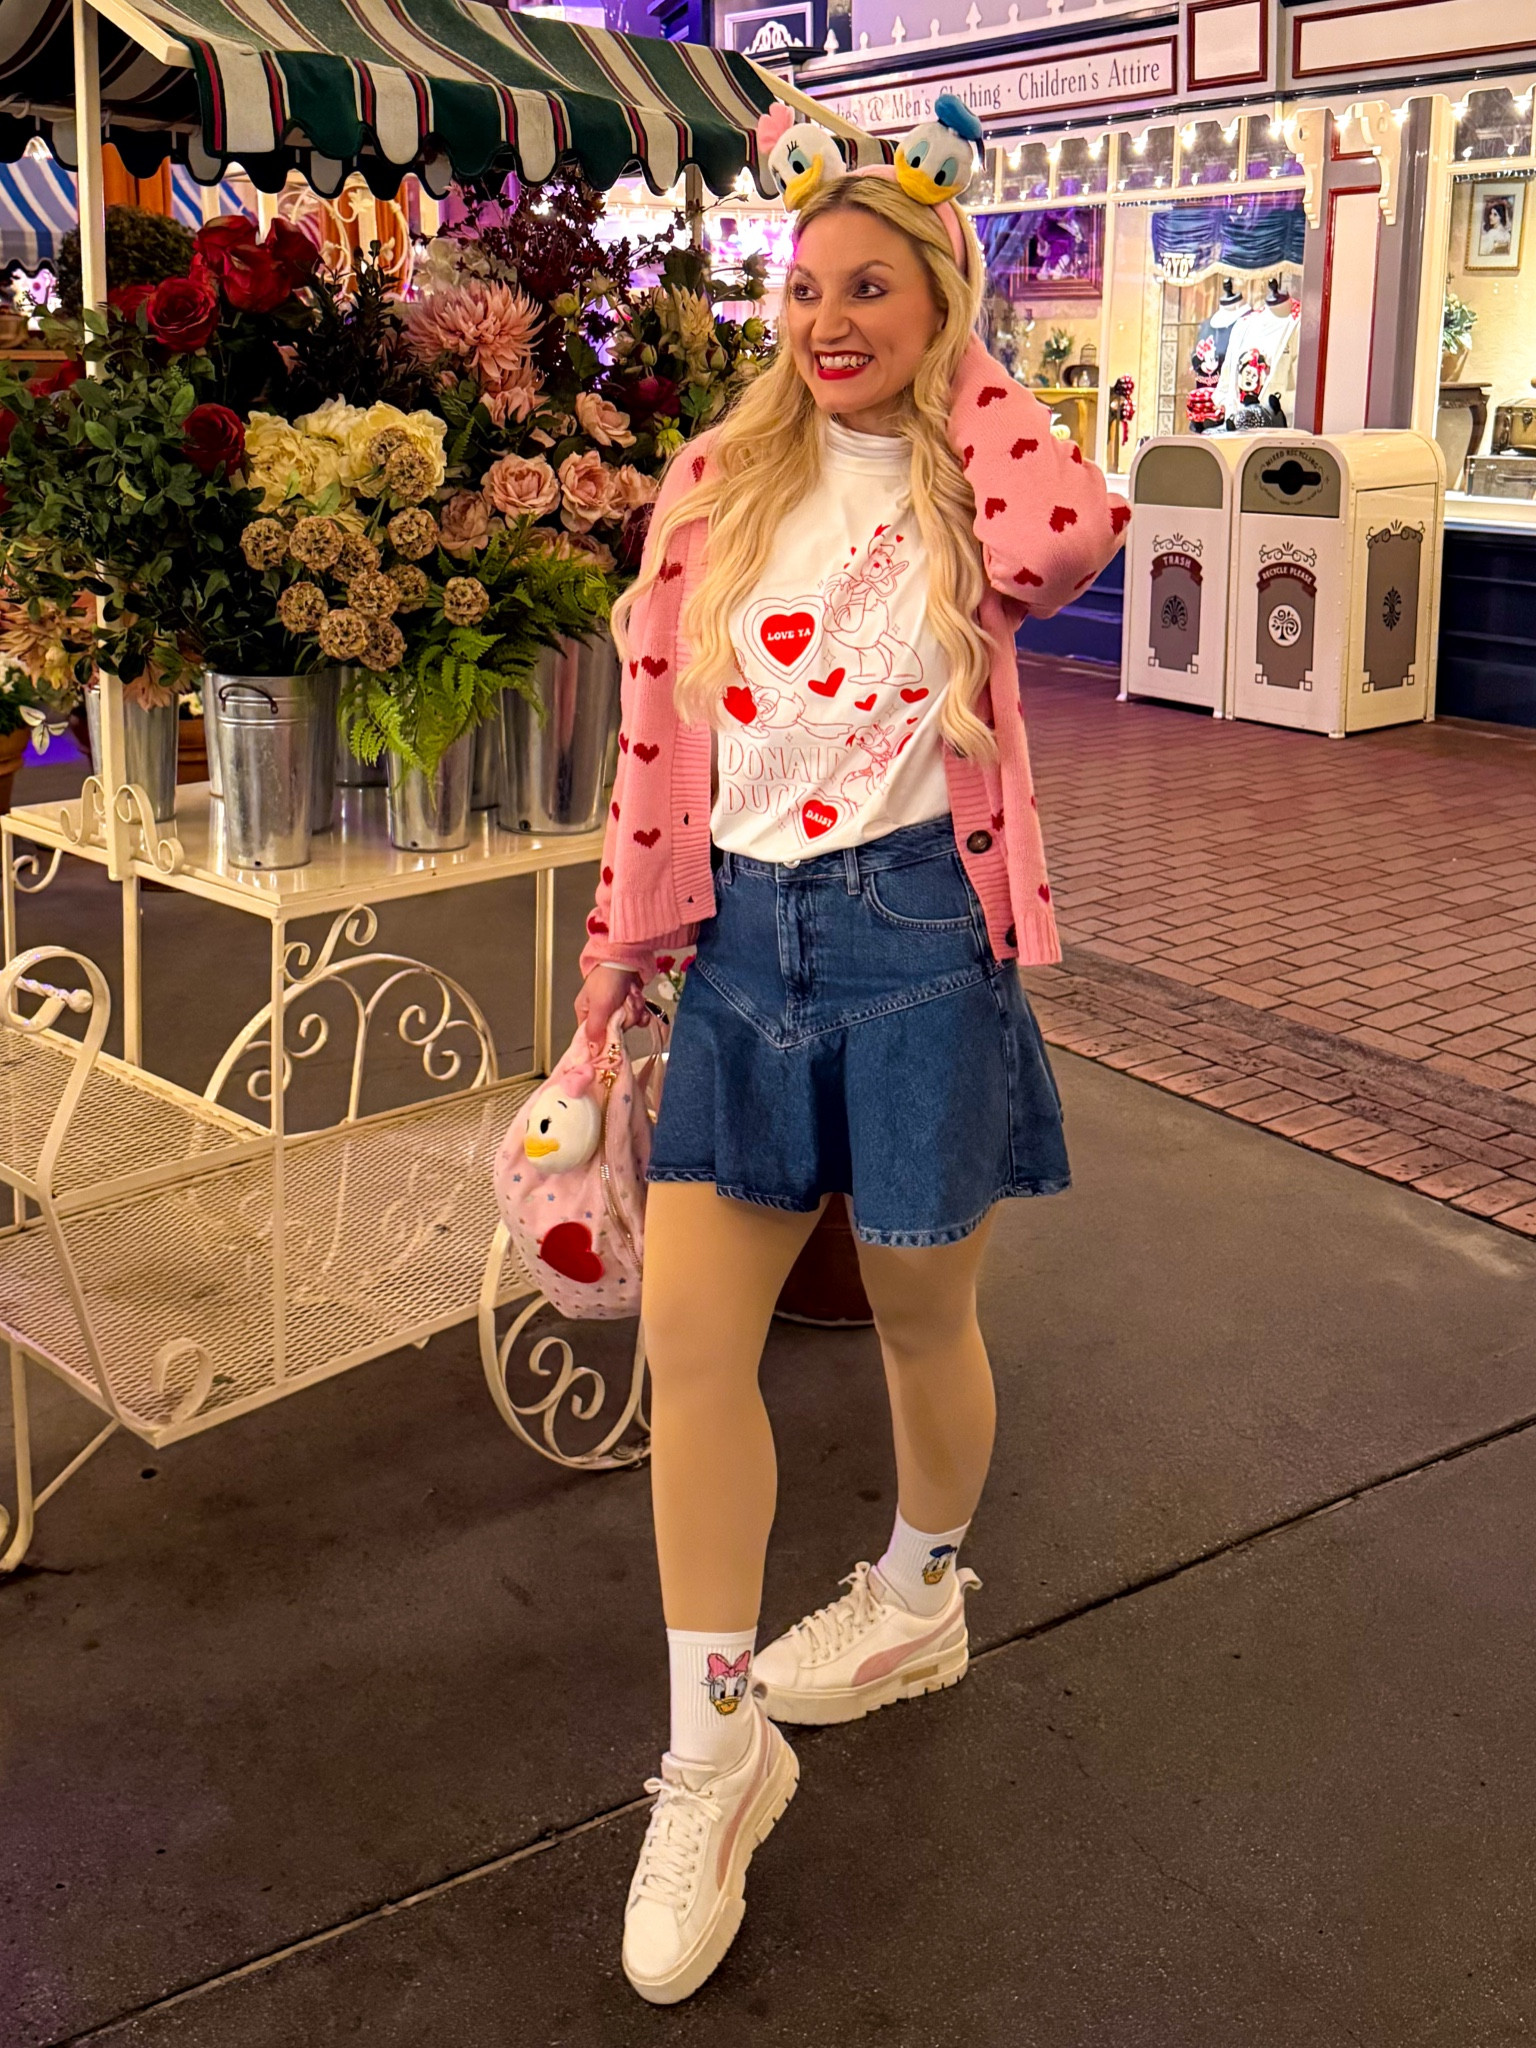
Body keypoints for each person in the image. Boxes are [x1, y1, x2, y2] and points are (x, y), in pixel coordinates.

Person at [574, 99, 1129, 2004]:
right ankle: (714, 1755)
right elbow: (653, 754)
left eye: (872, 288)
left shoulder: (982, 490)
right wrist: (612, 969)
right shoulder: (716, 485)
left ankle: (915, 1601)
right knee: (692, 1351)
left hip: (913, 933)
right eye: (806, 288)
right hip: (736, 942)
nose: (828, 319)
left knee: (915, 1318)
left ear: (941, 309)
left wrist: (958, 352)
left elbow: (1076, 528)